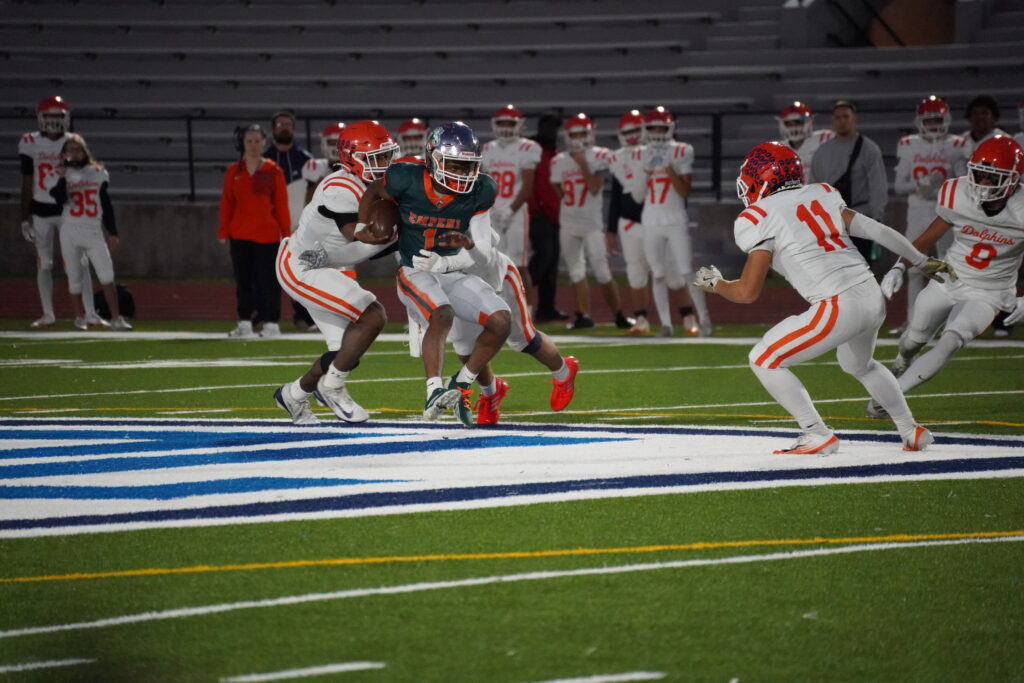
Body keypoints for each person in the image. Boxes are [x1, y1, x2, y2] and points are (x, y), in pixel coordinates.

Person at [695, 141, 953, 454]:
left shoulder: (758, 216)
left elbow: (747, 292)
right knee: (861, 365)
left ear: (759, 178)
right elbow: (877, 230)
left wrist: (717, 284)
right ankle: (911, 430)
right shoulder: (822, 193)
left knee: (763, 358)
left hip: (837, 305)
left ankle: (816, 434)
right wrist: (921, 260)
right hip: (871, 296)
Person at [358, 121, 512, 428]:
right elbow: (374, 189)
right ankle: (433, 391)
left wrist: (453, 257)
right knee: (442, 314)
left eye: (468, 165)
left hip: (454, 270)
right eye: (454, 164)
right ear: (434, 158)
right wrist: (362, 226)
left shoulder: (481, 189)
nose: (462, 173)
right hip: (414, 271)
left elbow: (483, 252)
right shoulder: (406, 177)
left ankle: (462, 382)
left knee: (502, 321)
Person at [870, 135, 1024, 416]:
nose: (984, 183)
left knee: (950, 340)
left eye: (993, 177)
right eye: (980, 174)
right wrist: (899, 266)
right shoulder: (957, 193)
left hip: (989, 292)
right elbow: (926, 238)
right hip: (950, 279)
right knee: (912, 341)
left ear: (1014, 180)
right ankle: (902, 361)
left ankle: (892, 397)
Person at [273, 121, 397, 424]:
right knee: (373, 316)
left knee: (346, 351)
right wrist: (400, 232)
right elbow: (358, 236)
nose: (384, 163)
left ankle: (293, 394)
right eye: (376, 158)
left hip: (326, 264)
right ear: (352, 159)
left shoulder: (377, 184)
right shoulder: (339, 188)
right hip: (301, 265)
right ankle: (332, 387)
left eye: (387, 156)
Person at [415, 218, 580, 424]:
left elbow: (484, 251)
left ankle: (564, 371)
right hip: (459, 288)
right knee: (466, 349)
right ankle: (491, 393)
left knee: (523, 339)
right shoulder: (417, 220)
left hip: (497, 281)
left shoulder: (471, 215)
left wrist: (452, 256)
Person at [626, 106, 710, 336]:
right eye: (652, 127)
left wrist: (668, 167)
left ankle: (704, 319)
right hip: (651, 221)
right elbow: (637, 196)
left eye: (661, 127)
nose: (656, 132)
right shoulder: (640, 153)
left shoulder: (682, 150)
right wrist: (646, 170)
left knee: (686, 271)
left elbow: (684, 191)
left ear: (670, 128)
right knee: (658, 274)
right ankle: (666, 324)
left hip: (675, 220)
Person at [18, 96, 100, 328]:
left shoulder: (73, 141)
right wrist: (24, 218)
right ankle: (48, 314)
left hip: (67, 209)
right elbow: (27, 181)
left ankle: (90, 313)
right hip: (41, 210)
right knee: (44, 263)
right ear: (40, 117)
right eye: (49, 115)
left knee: (79, 262)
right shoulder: (29, 141)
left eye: (58, 116)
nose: (53, 120)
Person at [890, 95, 970, 330]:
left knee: (950, 266)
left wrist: (942, 184)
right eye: (929, 120)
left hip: (946, 211)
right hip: (917, 210)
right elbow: (899, 186)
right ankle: (913, 321)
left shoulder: (958, 144)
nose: (934, 125)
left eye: (938, 120)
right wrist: (920, 185)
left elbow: (964, 182)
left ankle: (952, 320)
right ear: (919, 121)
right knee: (914, 268)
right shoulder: (908, 144)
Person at [550, 112, 632, 330]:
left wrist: (581, 162)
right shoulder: (559, 160)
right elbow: (558, 188)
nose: (577, 138)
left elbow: (595, 187)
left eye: (581, 134)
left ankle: (619, 315)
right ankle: (583, 316)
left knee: (602, 271)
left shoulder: (602, 155)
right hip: (568, 222)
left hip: (592, 224)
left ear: (590, 134)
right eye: (573, 134)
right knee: (576, 271)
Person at [43, 134, 132, 331]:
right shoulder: (57, 174)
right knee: (74, 278)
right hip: (70, 230)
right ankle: (79, 317)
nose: (74, 153)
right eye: (70, 150)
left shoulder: (97, 172)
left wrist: (112, 231)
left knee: (107, 275)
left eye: (78, 150)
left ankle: (116, 318)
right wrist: (63, 176)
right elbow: (59, 199)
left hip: (93, 229)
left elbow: (106, 203)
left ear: (85, 152)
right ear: (63, 154)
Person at [219, 124, 290, 339]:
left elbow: (281, 205)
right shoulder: (234, 171)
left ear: (264, 143)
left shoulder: (274, 171)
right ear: (242, 143)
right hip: (239, 234)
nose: (253, 145)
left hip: (267, 235)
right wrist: (223, 231)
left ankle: (271, 323)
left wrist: (286, 235)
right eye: (249, 141)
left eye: (257, 141)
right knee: (243, 281)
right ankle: (244, 323)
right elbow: (227, 203)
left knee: (268, 281)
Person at [809, 100, 888, 263]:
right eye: (838, 117)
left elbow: (877, 186)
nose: (842, 121)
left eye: (846, 117)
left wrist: (877, 219)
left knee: (863, 268)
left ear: (854, 118)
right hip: (832, 222)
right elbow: (813, 187)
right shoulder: (822, 152)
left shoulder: (868, 148)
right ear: (833, 120)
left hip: (860, 219)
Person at [265, 109, 316, 331]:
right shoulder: (264, 160)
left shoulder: (306, 160)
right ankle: (265, 316)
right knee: (266, 273)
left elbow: (315, 190)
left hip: (298, 227)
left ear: (294, 129)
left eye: (287, 124)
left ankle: (304, 315)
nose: (284, 128)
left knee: (300, 271)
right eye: (280, 124)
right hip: (269, 226)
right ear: (272, 129)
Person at [607, 109, 657, 334]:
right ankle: (641, 318)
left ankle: (684, 316)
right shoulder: (619, 158)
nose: (632, 136)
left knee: (667, 272)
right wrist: (611, 231)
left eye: (636, 130)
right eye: (627, 132)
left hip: (656, 220)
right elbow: (616, 197)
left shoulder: (657, 153)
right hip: (629, 221)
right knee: (636, 272)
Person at [480, 104, 541, 274]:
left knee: (518, 265)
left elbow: (527, 187)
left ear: (519, 125)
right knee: (495, 264)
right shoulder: (488, 148)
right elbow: (485, 184)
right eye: (502, 123)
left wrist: (510, 210)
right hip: (494, 211)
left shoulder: (528, 147)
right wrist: (490, 208)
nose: (505, 128)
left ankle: (524, 294)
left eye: (510, 124)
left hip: (516, 212)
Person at [527, 112, 567, 322]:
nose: (552, 131)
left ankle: (546, 308)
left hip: (556, 214)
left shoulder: (555, 154)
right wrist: (535, 207)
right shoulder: (533, 151)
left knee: (552, 263)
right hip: (538, 214)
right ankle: (517, 291)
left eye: (554, 127)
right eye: (548, 127)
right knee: (546, 255)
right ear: (541, 128)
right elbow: (530, 182)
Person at [776, 101, 835, 178]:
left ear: (808, 122)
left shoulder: (824, 138)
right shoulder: (778, 149)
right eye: (789, 123)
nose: (794, 127)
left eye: (798, 122)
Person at [302, 121, 345, 204]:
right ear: (324, 143)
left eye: (339, 142)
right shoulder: (315, 166)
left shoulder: (355, 167)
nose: (335, 146)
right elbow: (309, 201)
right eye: (331, 142)